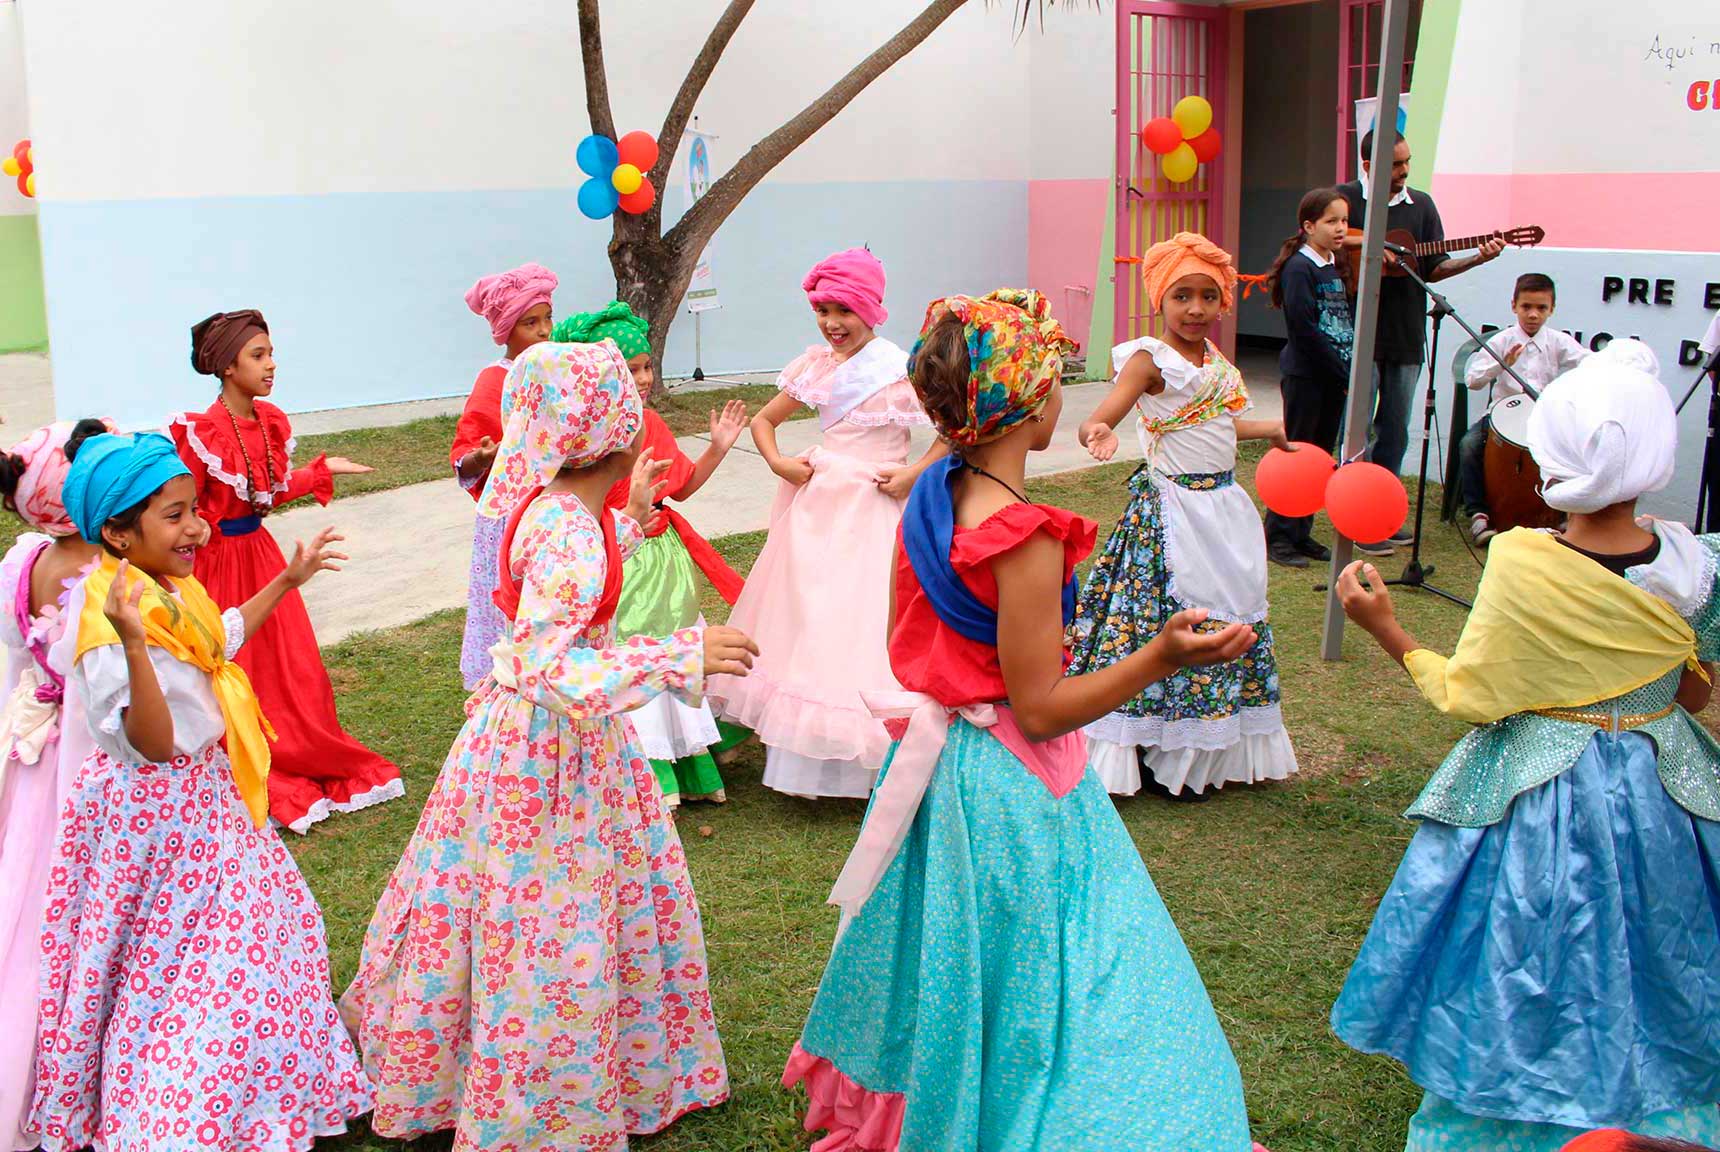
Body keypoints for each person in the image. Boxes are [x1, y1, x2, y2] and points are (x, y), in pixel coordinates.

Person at [783, 289, 1260, 1150]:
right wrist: (1160, 656)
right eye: (1053, 381)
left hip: (937, 775)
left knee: (960, 960)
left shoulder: (935, 487)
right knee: (1065, 963)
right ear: (1032, 403)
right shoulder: (1022, 533)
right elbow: (1038, 710)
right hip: (1011, 785)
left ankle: (947, 1092)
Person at [340, 341, 754, 1150]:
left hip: (550, 742)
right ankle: (544, 1097)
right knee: (547, 920)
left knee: (527, 908)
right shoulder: (564, 525)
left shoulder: (562, 507)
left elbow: (571, 593)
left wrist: (629, 522)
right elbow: (548, 664)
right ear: (612, 423)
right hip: (546, 752)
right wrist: (678, 653)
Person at [1331, 341, 1720, 1151]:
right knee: (1660, 941)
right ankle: (1652, 1094)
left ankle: (1516, 1096)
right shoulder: (1700, 562)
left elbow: (1473, 694)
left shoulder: (1520, 559)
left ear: (1545, 458)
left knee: (1532, 942)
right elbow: (1695, 690)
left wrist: (1388, 630)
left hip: (1543, 790)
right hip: (1664, 785)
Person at [32, 430, 373, 1150]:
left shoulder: (164, 588)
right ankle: (182, 1116)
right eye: (176, 516)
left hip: (205, 802)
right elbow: (154, 743)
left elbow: (215, 640)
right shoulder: (108, 621)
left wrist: (287, 581)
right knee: (186, 974)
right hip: (157, 822)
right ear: (119, 534)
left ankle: (261, 1095)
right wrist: (129, 642)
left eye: (194, 509)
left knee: (258, 945)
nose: (198, 528)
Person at [708, 248, 946, 800]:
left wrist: (914, 473)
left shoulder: (900, 368)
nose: (833, 323)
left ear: (870, 309)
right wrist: (777, 460)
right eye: (823, 310)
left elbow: (950, 430)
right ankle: (802, 748)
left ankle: (872, 746)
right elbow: (766, 421)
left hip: (878, 505)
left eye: (844, 310)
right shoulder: (817, 365)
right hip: (819, 506)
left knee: (864, 616)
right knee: (812, 615)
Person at [1066, 233, 1298, 799]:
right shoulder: (1149, 359)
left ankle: (1210, 745)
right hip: (1173, 515)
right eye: (1182, 296)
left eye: (1208, 297)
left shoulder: (1214, 362)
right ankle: (1147, 740)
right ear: (1159, 300)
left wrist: (1270, 429)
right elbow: (1107, 412)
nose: (1195, 309)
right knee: (1169, 615)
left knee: (1233, 607)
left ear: (1223, 303)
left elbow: (1213, 425)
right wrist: (1096, 430)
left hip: (1224, 506)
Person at [168, 309, 403, 833]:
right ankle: (242, 757)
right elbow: (186, 501)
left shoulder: (268, 421)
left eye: (271, 353)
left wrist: (319, 472)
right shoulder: (200, 430)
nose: (272, 365)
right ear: (227, 366)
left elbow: (264, 493)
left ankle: (296, 746)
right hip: (214, 564)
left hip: (260, 554)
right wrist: (197, 528)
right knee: (235, 660)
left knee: (288, 662)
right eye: (259, 355)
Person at [557, 300, 751, 806]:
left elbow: (680, 486)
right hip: (620, 556)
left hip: (665, 559)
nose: (643, 378)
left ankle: (692, 763)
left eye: (647, 366)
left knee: (674, 645)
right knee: (631, 648)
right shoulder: (582, 435)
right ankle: (646, 767)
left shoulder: (650, 420)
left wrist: (717, 449)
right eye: (631, 368)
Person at [0, 420, 106, 1151]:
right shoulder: (102, 571)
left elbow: (18, 648)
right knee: (77, 894)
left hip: (31, 754)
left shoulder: (24, 559)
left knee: (25, 885)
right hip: (83, 750)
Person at [1339, 129, 1505, 556]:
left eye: (1407, 161)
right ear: (1368, 166)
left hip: (1406, 334)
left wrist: (1478, 257)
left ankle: (1381, 514)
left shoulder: (1422, 206)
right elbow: (1323, 238)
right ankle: (1354, 516)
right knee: (1357, 432)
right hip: (1358, 331)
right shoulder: (1344, 200)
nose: (1404, 170)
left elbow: (1433, 267)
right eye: (1395, 165)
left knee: (1395, 430)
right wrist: (1376, 247)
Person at [453, 263, 558, 689]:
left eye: (548, 318)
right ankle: (504, 681)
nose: (544, 330)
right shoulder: (494, 380)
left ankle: (549, 671)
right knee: (510, 602)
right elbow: (464, 454)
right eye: (530, 322)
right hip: (509, 521)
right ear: (506, 330)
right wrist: (482, 458)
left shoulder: (556, 370)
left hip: (552, 509)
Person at [1460, 272, 1589, 544]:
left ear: (1552, 309)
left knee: (1574, 445)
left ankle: (1565, 513)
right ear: (1513, 306)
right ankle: (1478, 514)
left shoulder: (1558, 341)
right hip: (1500, 416)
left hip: (1544, 417)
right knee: (1469, 444)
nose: (1533, 315)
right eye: (1526, 307)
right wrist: (1501, 363)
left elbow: (1589, 363)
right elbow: (1472, 380)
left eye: (1541, 308)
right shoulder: (1502, 340)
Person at [1265, 188, 1356, 566]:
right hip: (1308, 377)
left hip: (1333, 377)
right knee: (1297, 457)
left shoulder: (1333, 264)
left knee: (1321, 459)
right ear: (1308, 226)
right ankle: (1278, 535)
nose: (1340, 228)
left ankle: (1302, 531)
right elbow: (1303, 327)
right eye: (1331, 221)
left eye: (1344, 221)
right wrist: (1338, 368)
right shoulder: (1299, 268)